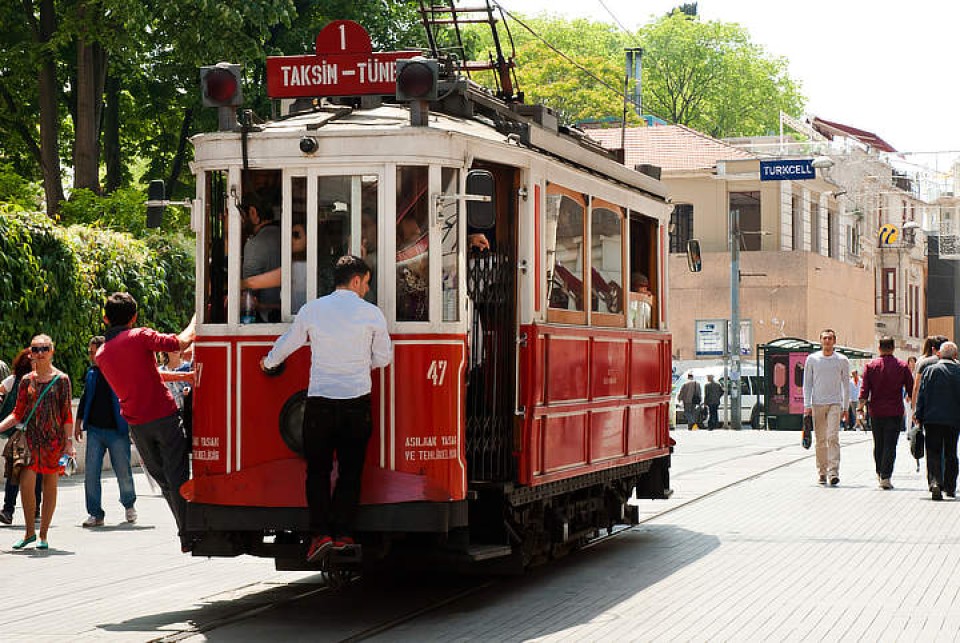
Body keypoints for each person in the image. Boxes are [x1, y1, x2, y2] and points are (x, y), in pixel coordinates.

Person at [260, 255, 392, 562]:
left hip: (319, 403)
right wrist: (361, 365)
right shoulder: (372, 314)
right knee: (350, 472)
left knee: (317, 471)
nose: (367, 289)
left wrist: (268, 363)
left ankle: (319, 534)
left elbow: (287, 343)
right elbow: (384, 358)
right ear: (357, 280)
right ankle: (344, 533)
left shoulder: (313, 309)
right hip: (356, 404)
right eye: (367, 282)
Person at [95, 292, 196, 551]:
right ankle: (190, 531)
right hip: (164, 417)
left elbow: (142, 377)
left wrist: (181, 378)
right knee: (177, 477)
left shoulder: (102, 354)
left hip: (138, 426)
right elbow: (179, 343)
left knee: (164, 481)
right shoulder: (140, 336)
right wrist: (198, 319)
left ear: (105, 319)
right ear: (134, 316)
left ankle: (185, 530)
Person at [0, 335, 73, 549]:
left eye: (45, 348)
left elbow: (66, 413)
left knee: (49, 486)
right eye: (36, 349)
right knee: (26, 484)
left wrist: (68, 443)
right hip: (30, 440)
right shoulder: (25, 381)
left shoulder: (62, 380)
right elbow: (17, 413)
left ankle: (43, 535)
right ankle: (29, 532)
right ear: (31, 352)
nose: (40, 353)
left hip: (53, 441)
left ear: (52, 351)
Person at [75, 336, 137, 527]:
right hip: (94, 430)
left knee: (123, 471)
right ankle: (95, 513)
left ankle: (129, 505)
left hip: (117, 430)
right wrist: (78, 423)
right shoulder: (92, 373)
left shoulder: (120, 370)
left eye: (95, 352)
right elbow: (85, 398)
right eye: (90, 352)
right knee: (91, 474)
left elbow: (130, 397)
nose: (93, 356)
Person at [857, 337, 914, 490]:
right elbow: (911, 388)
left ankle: (879, 471)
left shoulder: (870, 366)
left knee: (879, 443)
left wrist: (860, 407)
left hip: (876, 411)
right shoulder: (902, 366)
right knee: (890, 444)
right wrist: (913, 404)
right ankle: (886, 476)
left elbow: (864, 390)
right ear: (893, 348)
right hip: (895, 411)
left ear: (879, 348)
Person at [803, 329, 850, 486]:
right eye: (824, 338)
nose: (827, 341)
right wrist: (807, 405)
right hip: (817, 404)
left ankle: (833, 472)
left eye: (830, 338)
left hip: (835, 403)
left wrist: (846, 406)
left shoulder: (842, 360)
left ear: (834, 341)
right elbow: (807, 383)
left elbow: (845, 384)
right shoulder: (812, 359)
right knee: (820, 440)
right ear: (820, 340)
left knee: (833, 437)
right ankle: (822, 471)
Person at [0, 349, 42, 525]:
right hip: (20, 432)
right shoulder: (15, 380)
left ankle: (34, 508)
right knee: (15, 470)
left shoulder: (44, 380)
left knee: (36, 472)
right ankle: (8, 510)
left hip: (38, 433)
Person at [915, 341, 960, 501]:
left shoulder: (929, 371)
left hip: (932, 419)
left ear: (939, 354)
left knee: (933, 452)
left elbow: (922, 394)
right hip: (954, 420)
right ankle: (950, 487)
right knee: (951, 453)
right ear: (955, 355)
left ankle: (935, 482)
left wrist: (918, 415)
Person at [241, 222, 308, 313]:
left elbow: (252, 282)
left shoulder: (301, 267)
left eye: (296, 235)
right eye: (290, 235)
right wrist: (260, 306)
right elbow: (292, 306)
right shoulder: (294, 264)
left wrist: (236, 286)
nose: (291, 239)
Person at [240, 194, 282, 322]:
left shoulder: (255, 243)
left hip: (266, 320)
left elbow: (248, 295)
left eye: (241, 215)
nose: (240, 221)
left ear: (253, 212)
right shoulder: (284, 235)